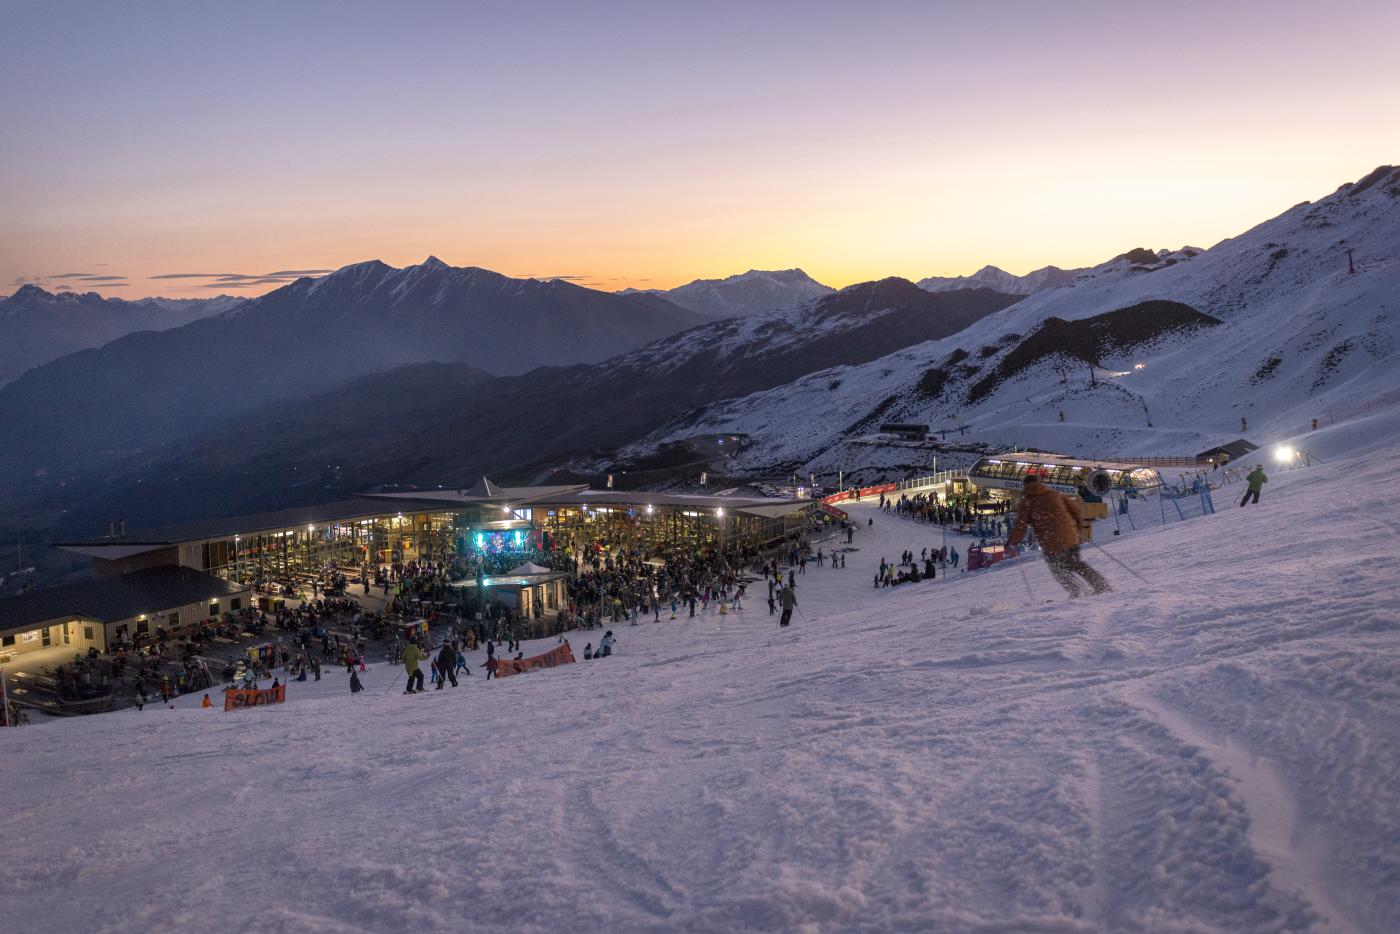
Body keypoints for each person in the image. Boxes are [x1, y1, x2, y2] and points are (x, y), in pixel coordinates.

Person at [1008, 471, 1111, 598]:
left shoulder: (1027, 502)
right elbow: (1076, 511)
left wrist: (1013, 540)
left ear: (1025, 486)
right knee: (1076, 564)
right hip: (1070, 538)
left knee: (1058, 570)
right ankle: (1101, 585)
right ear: (1039, 483)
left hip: (1051, 543)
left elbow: (1021, 525)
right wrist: (1078, 528)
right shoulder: (1055, 494)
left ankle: (1076, 591)